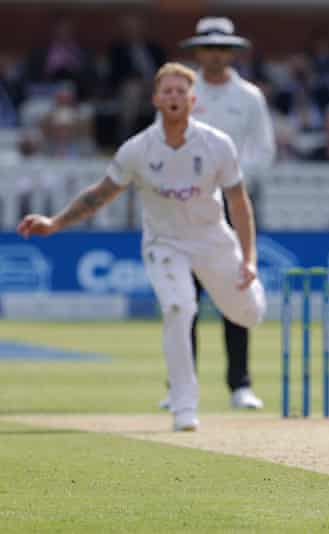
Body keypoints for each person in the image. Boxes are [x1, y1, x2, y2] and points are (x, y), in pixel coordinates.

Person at [17, 62, 266, 431]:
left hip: (212, 238)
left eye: (181, 91)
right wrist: (55, 223)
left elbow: (239, 203)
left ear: (193, 100)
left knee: (249, 314)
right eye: (167, 91)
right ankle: (183, 405)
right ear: (156, 100)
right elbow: (100, 194)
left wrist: (249, 259)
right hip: (164, 242)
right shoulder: (138, 149)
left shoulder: (217, 144)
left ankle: (245, 313)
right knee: (179, 307)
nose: (174, 96)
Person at [171, 16, 275, 410]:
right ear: (197, 51)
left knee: (235, 294)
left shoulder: (249, 97)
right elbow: (162, 143)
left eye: (222, 48)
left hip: (231, 206)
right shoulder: (181, 92)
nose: (215, 55)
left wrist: (230, 179)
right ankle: (181, 389)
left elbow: (263, 151)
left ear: (232, 52)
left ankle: (240, 385)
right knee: (183, 301)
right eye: (208, 48)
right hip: (184, 207)